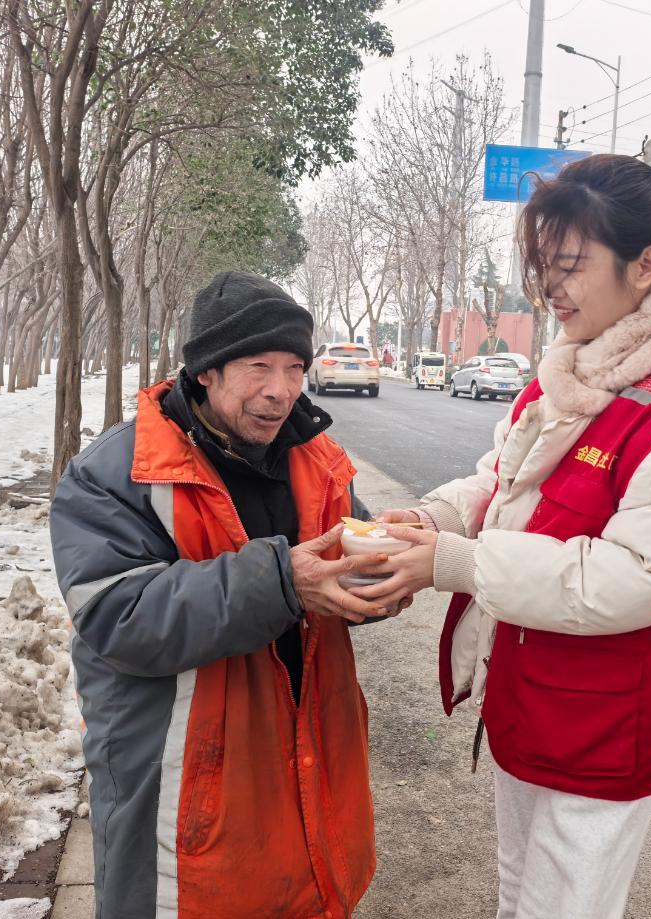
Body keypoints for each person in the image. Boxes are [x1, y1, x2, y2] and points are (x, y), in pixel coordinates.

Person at [358, 139, 651, 919]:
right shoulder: (568, 374)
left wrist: (455, 562)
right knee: (519, 895)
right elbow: (500, 481)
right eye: (544, 264)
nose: (550, 286)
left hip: (606, 728)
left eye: (571, 264)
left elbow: (632, 579)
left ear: (645, 266)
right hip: (531, 697)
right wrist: (429, 519)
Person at [50, 271, 399, 919]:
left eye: (295, 368)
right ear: (206, 370)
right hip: (184, 782)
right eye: (258, 366)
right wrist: (283, 581)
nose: (281, 390)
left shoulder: (316, 458)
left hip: (308, 760)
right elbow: (119, 617)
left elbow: (345, 558)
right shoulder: (116, 473)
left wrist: (382, 580)